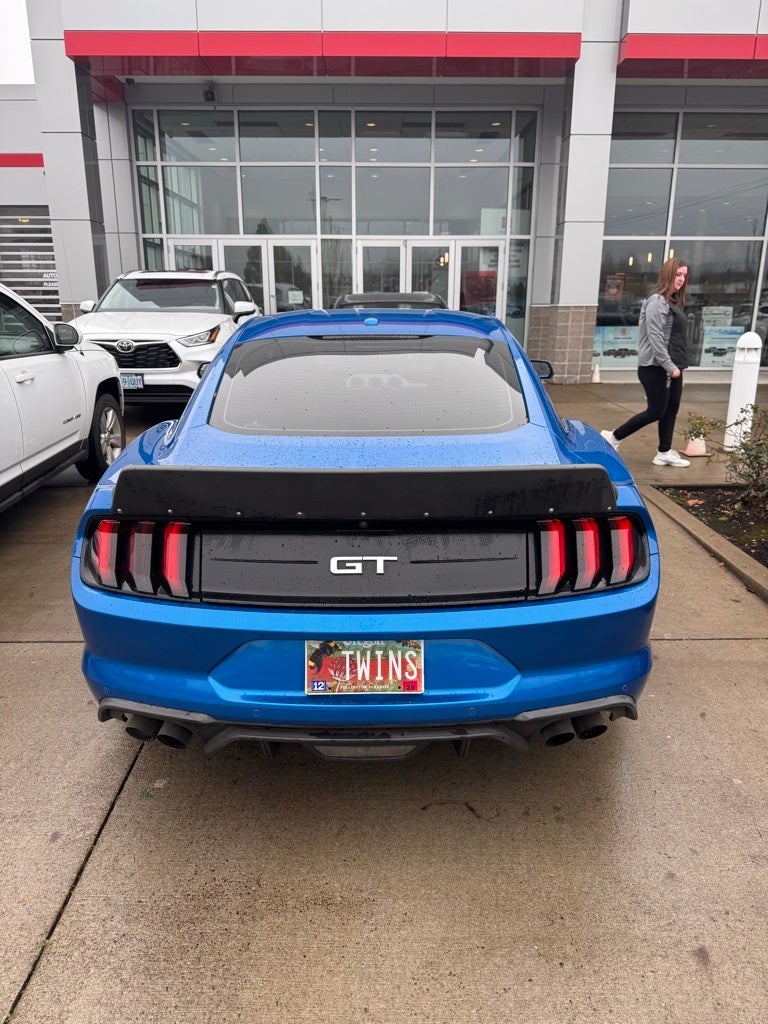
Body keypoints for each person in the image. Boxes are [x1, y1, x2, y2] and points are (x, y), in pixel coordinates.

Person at [601, 257, 691, 467]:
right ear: (668, 274)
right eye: (678, 274)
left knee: (670, 410)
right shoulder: (657, 301)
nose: (682, 279)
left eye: (685, 275)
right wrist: (668, 366)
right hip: (655, 367)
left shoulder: (672, 301)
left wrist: (674, 366)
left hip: (673, 366)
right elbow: (655, 337)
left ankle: (664, 452)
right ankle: (613, 437)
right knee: (656, 410)